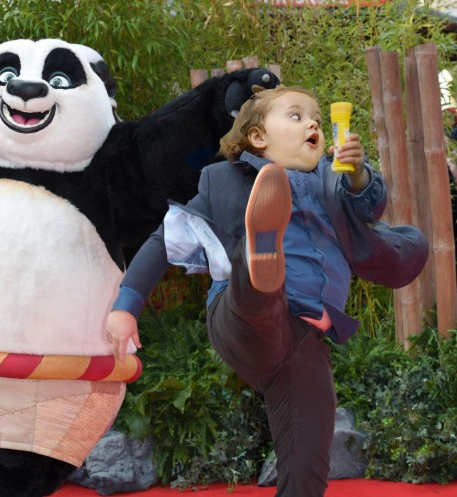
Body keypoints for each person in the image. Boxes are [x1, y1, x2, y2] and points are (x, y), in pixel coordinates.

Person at [107, 86, 428, 497]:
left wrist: (360, 172)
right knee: (255, 292)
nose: (312, 122)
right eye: (295, 116)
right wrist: (125, 307)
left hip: (304, 337)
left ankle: (263, 264)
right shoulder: (223, 181)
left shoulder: (334, 182)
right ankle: (259, 257)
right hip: (241, 319)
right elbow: (162, 241)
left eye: (315, 117)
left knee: (308, 459)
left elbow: (371, 204)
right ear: (258, 138)